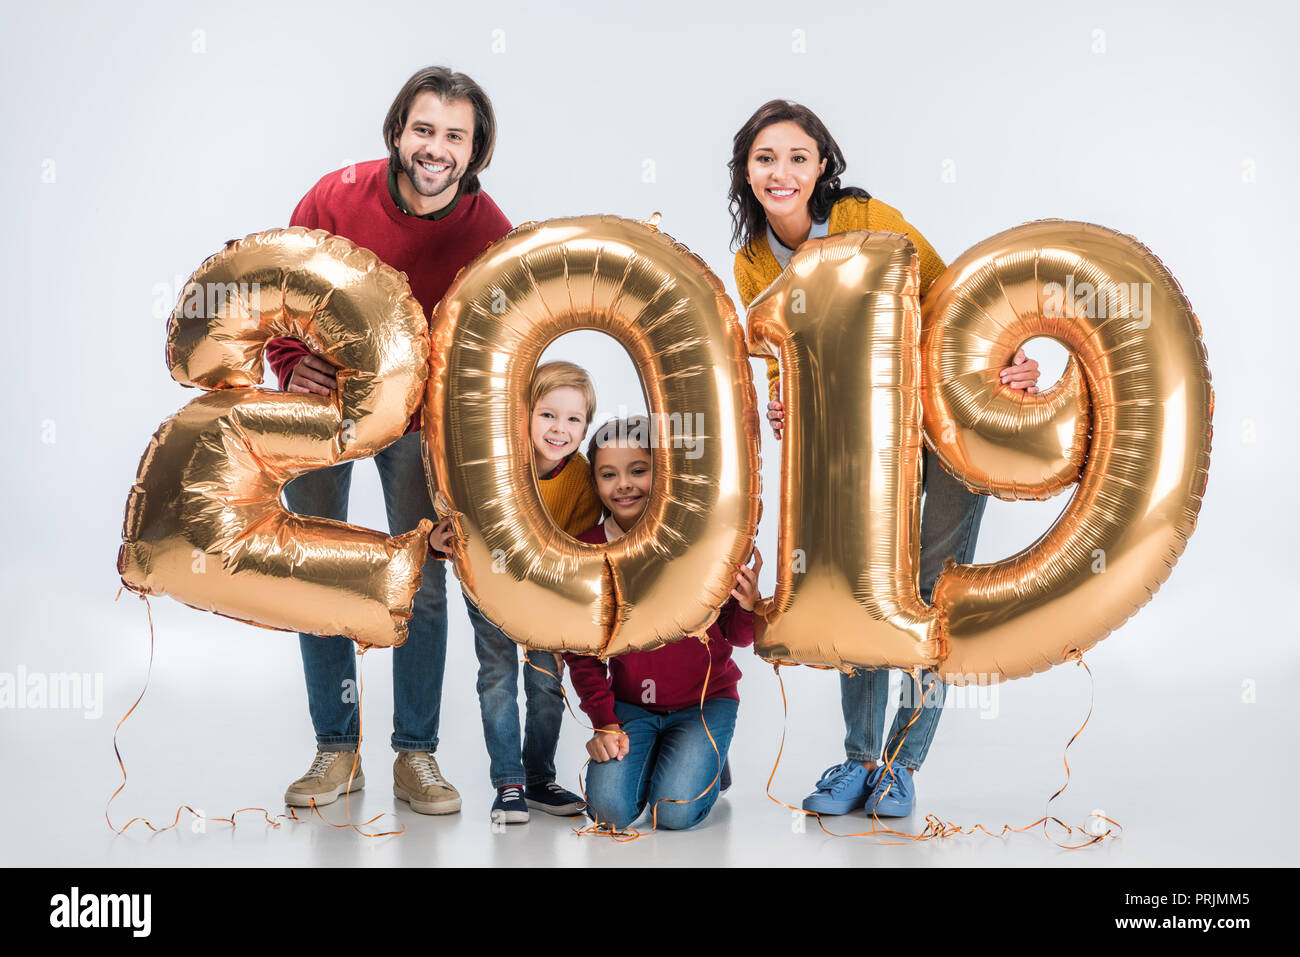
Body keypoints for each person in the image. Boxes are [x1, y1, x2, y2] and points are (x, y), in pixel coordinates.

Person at [728, 100, 1041, 817]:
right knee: (862, 589)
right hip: (858, 443)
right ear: (746, 171)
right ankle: (858, 757)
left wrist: (1008, 360)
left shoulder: (870, 219)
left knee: (930, 591)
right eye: (765, 158)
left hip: (943, 425)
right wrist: (784, 398)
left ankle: (903, 764)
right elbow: (781, 352)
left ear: (823, 166)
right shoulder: (750, 260)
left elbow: (952, 292)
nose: (782, 172)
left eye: (798, 157)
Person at [271, 66, 511, 815]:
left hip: (416, 424)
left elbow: (498, 340)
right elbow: (277, 289)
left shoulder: (490, 229)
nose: (435, 148)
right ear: (399, 132)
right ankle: (336, 752)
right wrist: (290, 360)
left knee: (421, 581)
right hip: (326, 410)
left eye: (454, 136)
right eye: (424, 130)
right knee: (320, 571)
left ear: (475, 150)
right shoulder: (335, 197)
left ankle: (417, 755)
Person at [564, 417, 761, 831]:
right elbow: (582, 653)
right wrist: (605, 721)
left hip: (704, 703)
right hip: (631, 708)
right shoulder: (587, 551)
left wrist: (747, 604)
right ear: (595, 483)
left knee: (671, 812)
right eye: (609, 474)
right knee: (610, 812)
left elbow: (738, 638)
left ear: (663, 471)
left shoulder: (701, 539)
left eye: (638, 470)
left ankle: (708, 757)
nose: (624, 484)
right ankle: (667, 751)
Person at [428, 361, 601, 825]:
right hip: (489, 582)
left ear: (585, 426)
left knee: (545, 682)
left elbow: (583, 546)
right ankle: (508, 782)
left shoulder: (581, 480)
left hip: (548, 591)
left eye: (573, 419)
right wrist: (438, 543)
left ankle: (539, 776)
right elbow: (457, 516)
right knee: (498, 676)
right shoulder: (497, 460)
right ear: (524, 415)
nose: (559, 429)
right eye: (547, 415)